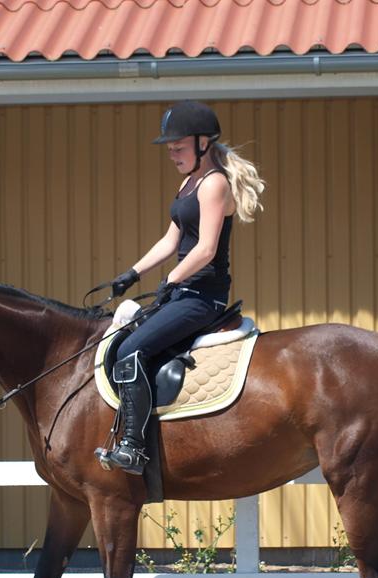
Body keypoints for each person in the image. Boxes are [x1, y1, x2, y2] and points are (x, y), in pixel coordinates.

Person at [97, 99, 265, 475]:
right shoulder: (188, 183)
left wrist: (171, 279)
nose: (171, 153)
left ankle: (134, 448)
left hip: (202, 296)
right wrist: (132, 273)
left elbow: (205, 249)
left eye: (178, 146)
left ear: (202, 143)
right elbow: (171, 241)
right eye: (169, 148)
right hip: (182, 291)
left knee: (131, 350)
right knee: (124, 343)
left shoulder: (214, 184)